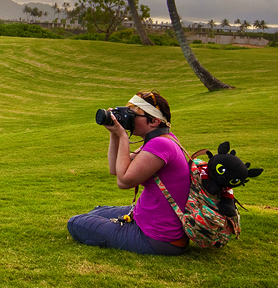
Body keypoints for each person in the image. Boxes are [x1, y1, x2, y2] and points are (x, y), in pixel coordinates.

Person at [67, 91, 191, 256]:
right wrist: (114, 134)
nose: (128, 118)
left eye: (133, 114)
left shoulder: (161, 145)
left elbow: (124, 180)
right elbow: (115, 169)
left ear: (154, 121)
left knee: (76, 222)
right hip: (149, 220)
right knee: (96, 212)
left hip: (158, 238)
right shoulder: (163, 140)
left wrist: (123, 137)